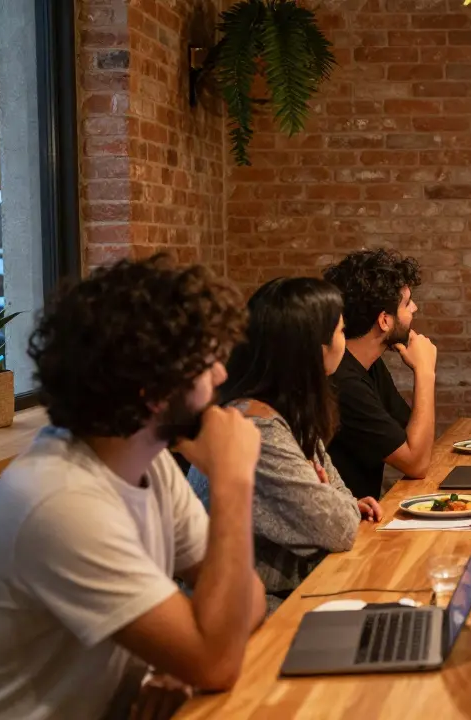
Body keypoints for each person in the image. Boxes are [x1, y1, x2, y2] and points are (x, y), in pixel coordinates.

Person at [0, 256, 267, 719]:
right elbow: (217, 662)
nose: (222, 376)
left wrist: (181, 664)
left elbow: (246, 598)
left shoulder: (147, 458)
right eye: (208, 361)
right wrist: (233, 479)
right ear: (152, 391)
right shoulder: (59, 501)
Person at [187, 277, 384, 615]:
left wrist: (335, 500)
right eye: (339, 331)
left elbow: (339, 494)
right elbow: (339, 527)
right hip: (251, 614)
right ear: (313, 348)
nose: (344, 342)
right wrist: (336, 503)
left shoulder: (288, 412)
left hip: (289, 594)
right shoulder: (259, 429)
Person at [323, 249, 437, 499]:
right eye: (407, 303)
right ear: (384, 320)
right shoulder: (343, 382)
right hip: (350, 528)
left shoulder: (369, 365)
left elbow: (416, 437)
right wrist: (425, 372)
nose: (415, 308)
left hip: (362, 515)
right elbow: (416, 463)